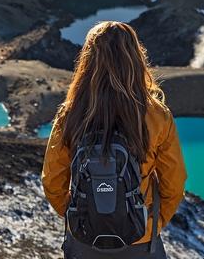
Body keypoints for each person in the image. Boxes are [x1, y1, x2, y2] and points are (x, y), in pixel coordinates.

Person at [42, 21, 187, 259]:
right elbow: (175, 181)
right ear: (135, 57)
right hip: (140, 237)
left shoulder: (70, 113)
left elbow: (52, 181)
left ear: (87, 61)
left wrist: (81, 215)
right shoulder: (156, 114)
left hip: (83, 238)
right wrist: (154, 224)